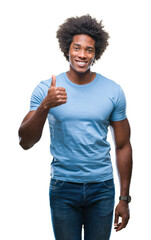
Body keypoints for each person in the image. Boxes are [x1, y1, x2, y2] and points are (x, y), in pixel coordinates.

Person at [18, 15, 133, 240]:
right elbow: (25, 142)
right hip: (63, 187)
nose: (82, 55)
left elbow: (123, 146)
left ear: (96, 53)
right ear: (67, 49)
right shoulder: (46, 89)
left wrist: (124, 198)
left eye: (88, 50)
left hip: (102, 187)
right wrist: (46, 105)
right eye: (77, 48)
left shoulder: (113, 90)